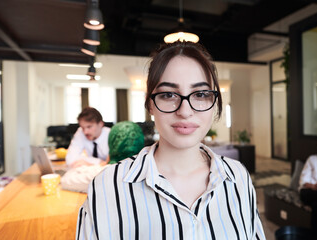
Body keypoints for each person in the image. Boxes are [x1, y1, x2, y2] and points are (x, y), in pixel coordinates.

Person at [76, 41, 265, 240]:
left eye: (200, 94)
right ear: (150, 104)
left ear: (214, 102)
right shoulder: (108, 186)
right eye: (168, 95)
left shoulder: (237, 177)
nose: (185, 111)